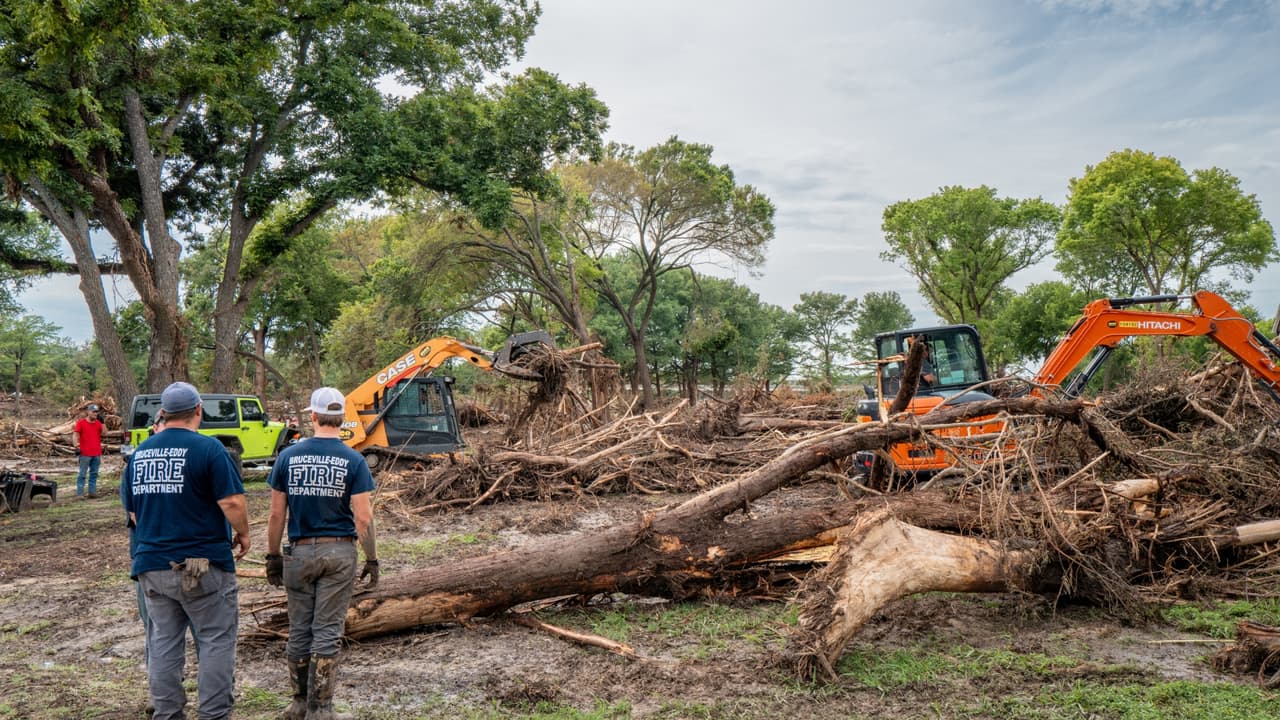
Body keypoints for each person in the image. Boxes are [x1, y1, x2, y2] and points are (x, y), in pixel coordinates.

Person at [122, 382, 249, 720]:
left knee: (163, 642)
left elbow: (134, 514)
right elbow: (232, 501)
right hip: (202, 565)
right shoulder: (209, 449)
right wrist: (243, 533)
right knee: (215, 639)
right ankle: (214, 714)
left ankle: (166, 713)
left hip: (152, 565)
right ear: (198, 411)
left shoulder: (139, 455)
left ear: (163, 413)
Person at [266, 387, 378, 720]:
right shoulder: (353, 460)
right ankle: (321, 708)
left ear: (313, 416)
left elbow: (276, 514)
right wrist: (371, 558)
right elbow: (364, 517)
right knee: (327, 631)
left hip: (298, 553)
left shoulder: (288, 457)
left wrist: (272, 556)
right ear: (341, 419)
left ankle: (299, 703)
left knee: (300, 629)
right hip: (339, 552)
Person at [73, 403, 105, 498]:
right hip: (85, 453)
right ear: (88, 412)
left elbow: (105, 433)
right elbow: (75, 435)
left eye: (96, 412)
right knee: (82, 474)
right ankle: (80, 494)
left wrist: (103, 422)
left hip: (96, 453)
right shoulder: (81, 423)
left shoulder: (98, 423)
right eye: (93, 411)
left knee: (94, 474)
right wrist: (76, 446)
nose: (95, 413)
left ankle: (92, 493)